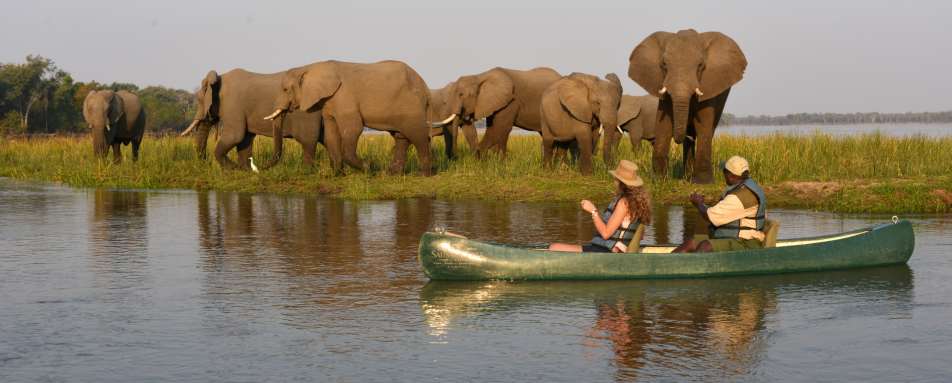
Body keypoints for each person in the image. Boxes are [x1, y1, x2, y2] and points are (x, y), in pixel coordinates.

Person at [549, 160, 652, 253]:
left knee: (554, 247)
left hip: (606, 251)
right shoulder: (638, 203)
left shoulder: (623, 203)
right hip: (609, 250)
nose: (614, 181)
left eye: (615, 179)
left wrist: (593, 211)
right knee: (556, 247)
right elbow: (641, 236)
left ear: (619, 182)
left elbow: (606, 233)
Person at [674, 155, 767, 253]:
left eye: (724, 172)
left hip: (746, 243)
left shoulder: (739, 197)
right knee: (690, 243)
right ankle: (668, 265)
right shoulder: (746, 187)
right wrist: (703, 205)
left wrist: (698, 204)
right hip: (734, 238)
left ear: (731, 176)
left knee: (705, 246)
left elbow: (710, 217)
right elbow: (721, 211)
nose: (723, 174)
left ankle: (694, 267)